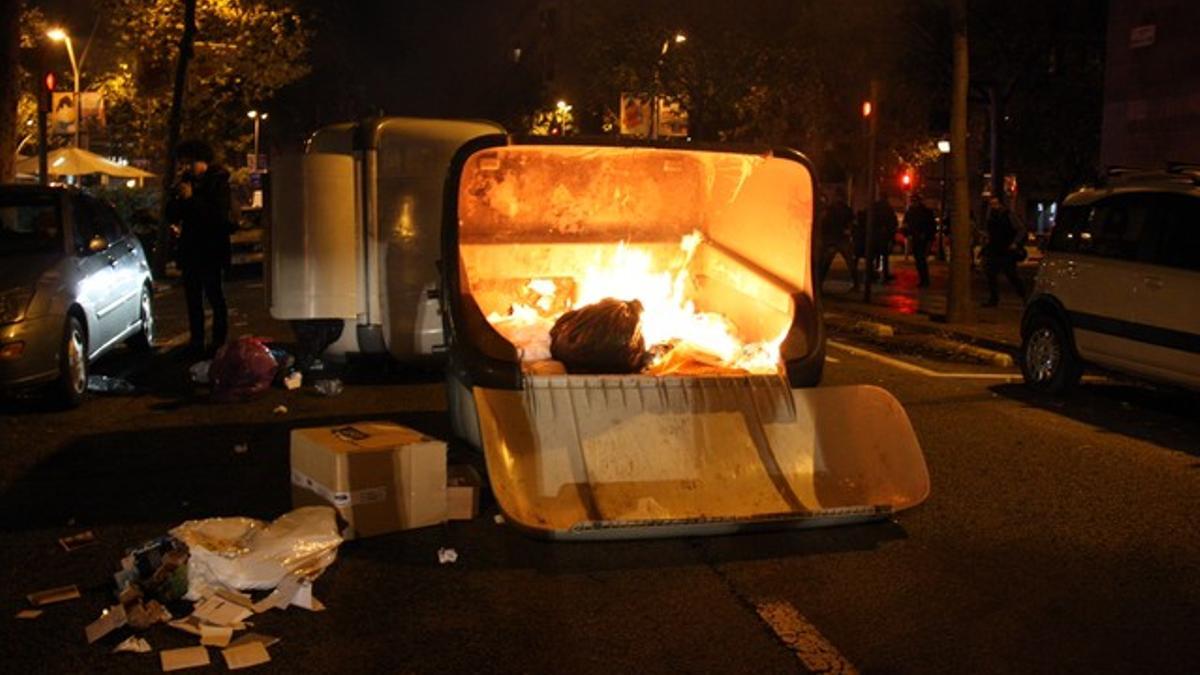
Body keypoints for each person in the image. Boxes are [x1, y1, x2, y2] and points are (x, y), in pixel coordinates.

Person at [167, 140, 233, 358]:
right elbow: (172, 215)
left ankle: (218, 341)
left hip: (211, 248)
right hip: (191, 250)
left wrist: (192, 199)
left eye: (190, 162)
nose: (186, 167)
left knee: (215, 297)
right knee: (193, 299)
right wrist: (176, 197)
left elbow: (217, 216)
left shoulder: (218, 182)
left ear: (202, 161)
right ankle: (196, 342)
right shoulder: (186, 182)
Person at [980, 195, 1027, 307]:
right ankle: (994, 299)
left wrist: (1015, 243)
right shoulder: (990, 216)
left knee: (1011, 275)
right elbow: (989, 233)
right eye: (991, 204)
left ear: (1000, 204)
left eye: (995, 204)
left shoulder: (1009, 215)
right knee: (990, 274)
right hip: (995, 249)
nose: (993, 207)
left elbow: (1021, 229)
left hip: (1006, 250)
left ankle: (1024, 296)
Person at [816, 188, 859, 290]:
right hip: (842, 238)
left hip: (831, 237)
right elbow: (852, 223)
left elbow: (824, 222)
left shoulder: (830, 209)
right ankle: (856, 284)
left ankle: (819, 284)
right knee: (850, 262)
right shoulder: (846, 209)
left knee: (825, 262)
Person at [903, 193, 938, 287]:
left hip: (922, 239)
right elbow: (906, 225)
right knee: (919, 260)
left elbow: (931, 227)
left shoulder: (922, 212)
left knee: (921, 260)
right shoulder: (912, 212)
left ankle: (924, 279)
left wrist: (927, 237)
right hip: (917, 238)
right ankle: (923, 279)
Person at [870, 197, 898, 283]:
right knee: (884, 256)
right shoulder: (888, 210)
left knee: (873, 256)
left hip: (874, 236)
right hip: (884, 236)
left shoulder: (874, 208)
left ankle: (872, 274)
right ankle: (885, 274)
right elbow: (893, 223)